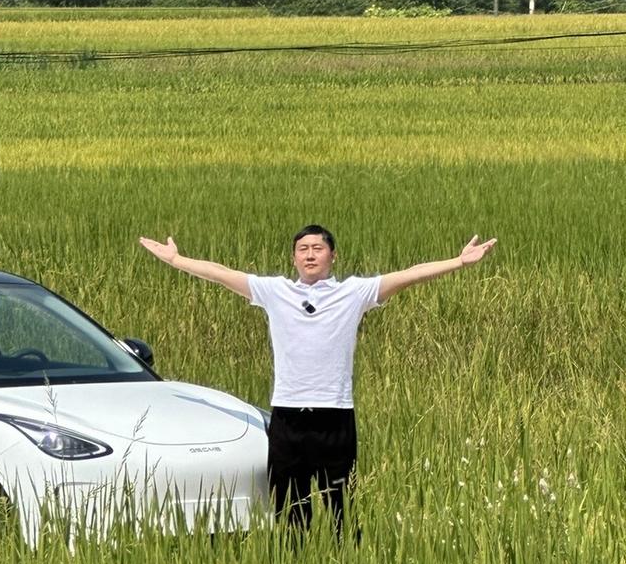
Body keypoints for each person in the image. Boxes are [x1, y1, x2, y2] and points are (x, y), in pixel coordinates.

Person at [138, 226, 497, 531]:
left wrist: (458, 261)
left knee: (343, 506)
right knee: (289, 510)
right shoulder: (275, 291)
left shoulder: (354, 292)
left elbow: (408, 275)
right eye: (303, 250)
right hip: (287, 415)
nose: (310, 255)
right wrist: (176, 260)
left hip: (335, 414)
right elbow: (221, 273)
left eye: (318, 249)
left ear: (332, 256)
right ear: (294, 258)